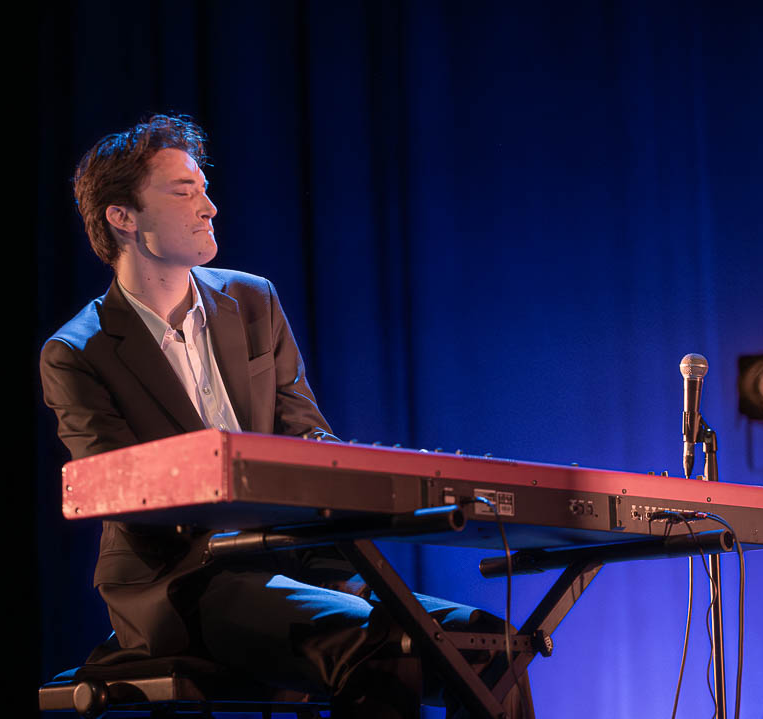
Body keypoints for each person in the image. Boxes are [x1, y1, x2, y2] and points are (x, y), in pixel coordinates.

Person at [40, 115, 518, 718]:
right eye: (184, 192)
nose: (209, 207)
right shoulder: (76, 352)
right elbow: (121, 493)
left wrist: (372, 473)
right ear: (122, 217)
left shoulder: (252, 300)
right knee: (377, 645)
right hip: (186, 581)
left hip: (298, 562)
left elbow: (305, 433)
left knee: (492, 646)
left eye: (204, 188)